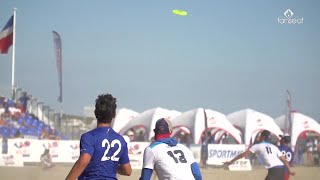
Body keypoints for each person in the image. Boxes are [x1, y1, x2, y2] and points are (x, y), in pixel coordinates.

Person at [66, 93, 132, 180]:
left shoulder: (89, 137)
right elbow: (127, 171)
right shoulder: (120, 140)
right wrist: (111, 166)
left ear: (95, 112)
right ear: (114, 115)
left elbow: (84, 160)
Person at [223, 130, 295, 180]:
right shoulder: (274, 147)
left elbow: (243, 155)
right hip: (281, 171)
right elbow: (285, 160)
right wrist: (290, 170)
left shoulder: (258, 146)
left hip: (274, 171)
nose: (258, 137)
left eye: (260, 135)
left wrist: (231, 161)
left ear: (263, 137)